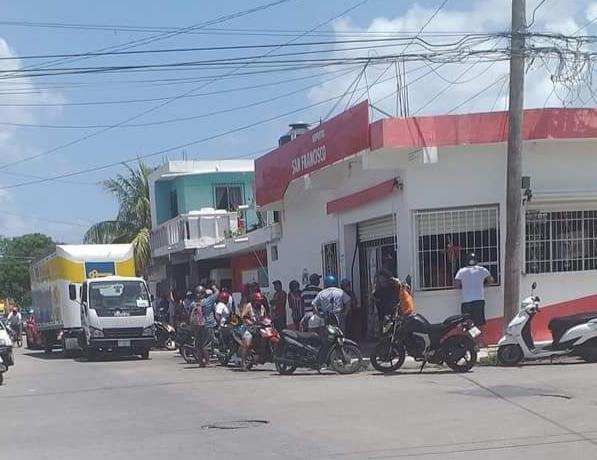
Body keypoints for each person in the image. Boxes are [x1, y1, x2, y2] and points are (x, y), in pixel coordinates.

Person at [454, 252, 493, 328]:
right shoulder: (482, 270)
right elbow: (491, 280)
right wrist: (483, 285)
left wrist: (464, 287)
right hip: (479, 301)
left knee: (467, 325)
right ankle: (479, 339)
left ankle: (468, 339)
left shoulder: (461, 271)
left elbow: (456, 285)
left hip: (466, 302)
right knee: (479, 325)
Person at [189, 288, 208, 367]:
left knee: (198, 344)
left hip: (196, 325)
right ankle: (207, 361)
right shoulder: (206, 302)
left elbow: (189, 314)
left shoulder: (193, 303)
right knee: (205, 344)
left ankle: (201, 362)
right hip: (204, 324)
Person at [201, 286, 220, 356]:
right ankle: (207, 360)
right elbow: (217, 292)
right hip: (208, 323)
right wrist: (214, 287)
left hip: (201, 324)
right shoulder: (209, 301)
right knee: (208, 342)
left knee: (204, 341)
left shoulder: (201, 301)